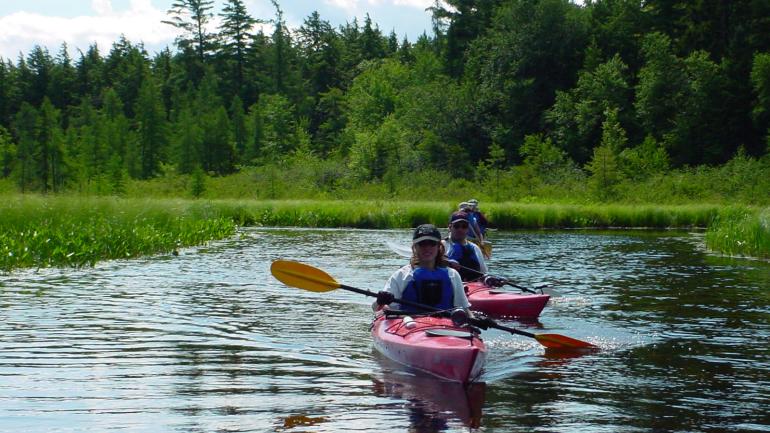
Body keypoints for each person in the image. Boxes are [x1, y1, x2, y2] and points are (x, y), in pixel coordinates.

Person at [374, 224, 472, 314]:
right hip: (409, 325)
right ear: (415, 247)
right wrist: (380, 301)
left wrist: (475, 319)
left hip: (445, 326)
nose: (427, 248)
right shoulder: (401, 276)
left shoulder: (452, 275)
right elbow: (376, 307)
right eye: (422, 244)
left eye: (432, 243)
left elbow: (464, 309)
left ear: (439, 247)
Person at [442, 212, 488, 282]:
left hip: (474, 288)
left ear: (468, 229)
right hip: (450, 285)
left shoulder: (475, 248)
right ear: (450, 227)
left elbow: (484, 273)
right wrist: (447, 262)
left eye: (464, 226)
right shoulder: (440, 246)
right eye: (456, 226)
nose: (460, 229)